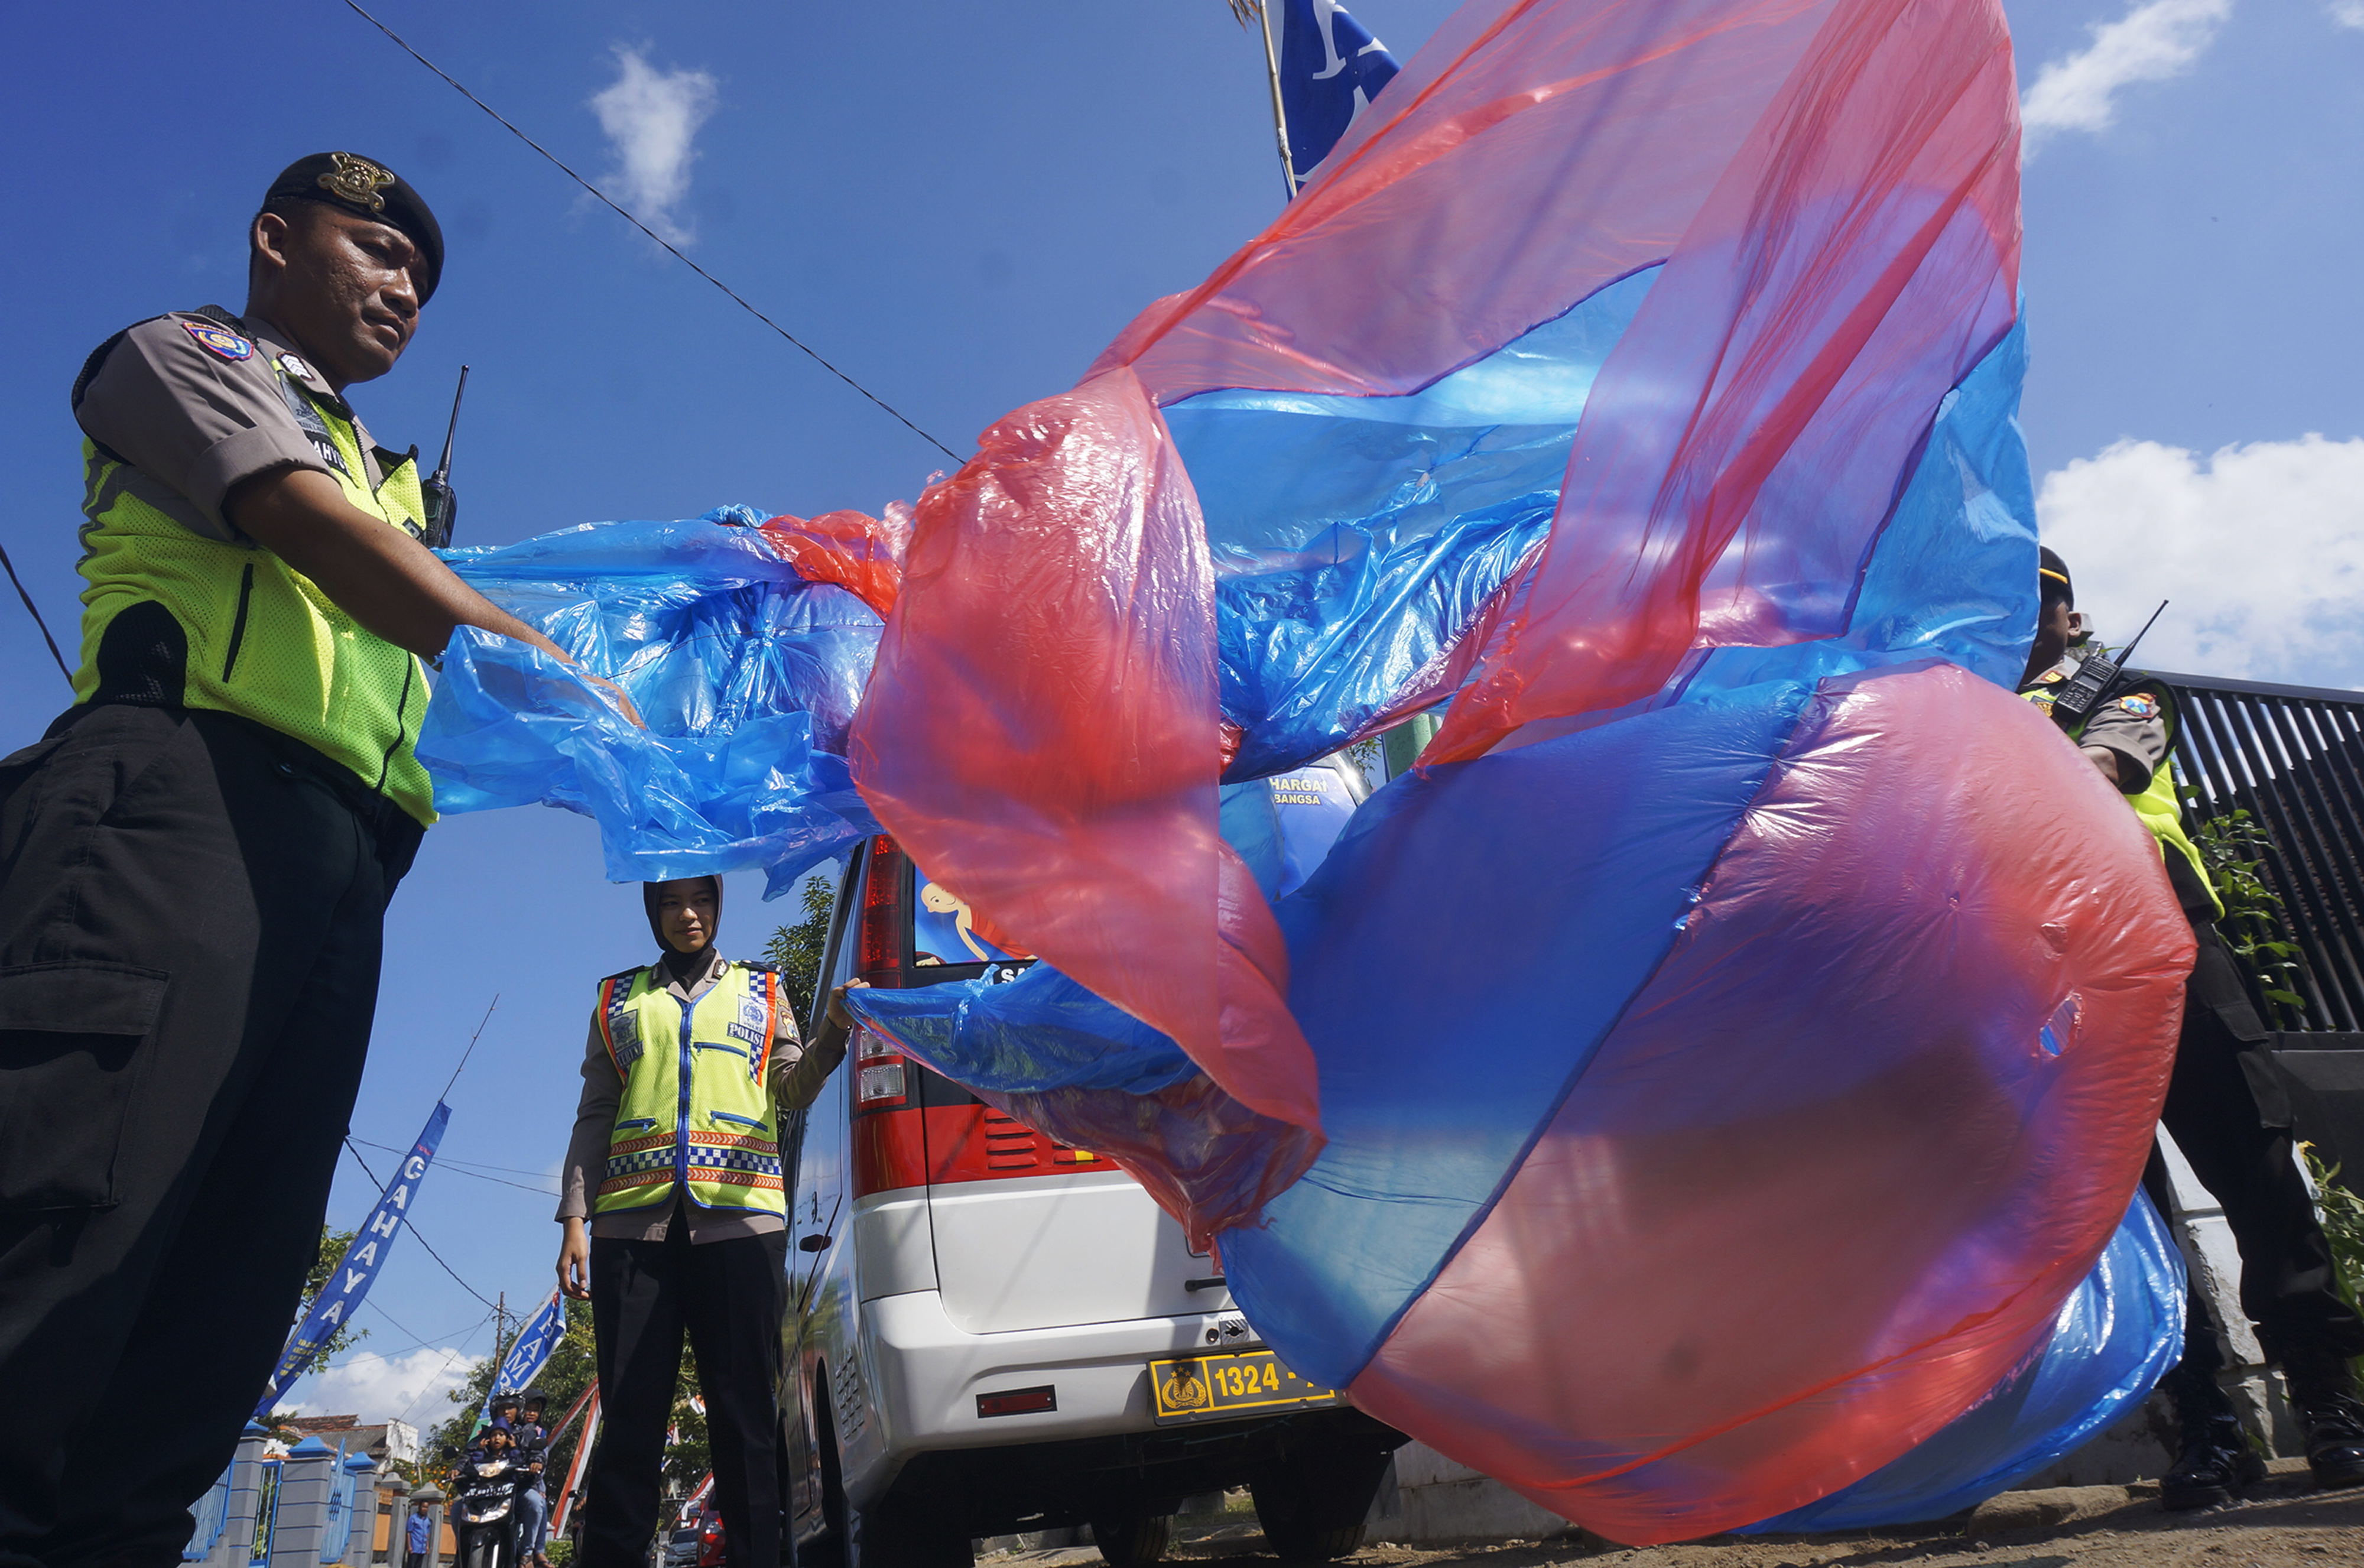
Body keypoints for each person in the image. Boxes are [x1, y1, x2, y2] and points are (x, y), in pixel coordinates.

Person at [0, 151, 637, 1568]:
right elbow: (301, 524)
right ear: (274, 240)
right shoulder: (189, 361)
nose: (404, 285)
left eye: (422, 269)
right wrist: (550, 669)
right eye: (375, 248)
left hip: (337, 878)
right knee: (72, 1261)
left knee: (221, 1307)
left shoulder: (401, 485)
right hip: (175, 823)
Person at [2019, 547, 2364, 1507]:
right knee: (2133, 1213)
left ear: (2074, 619)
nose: (2022, 615)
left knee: (2256, 1178)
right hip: (2052, 976)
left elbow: (2109, 765)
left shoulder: (2128, 691)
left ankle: (2330, 1402)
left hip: (2165, 945)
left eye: (2040, 600)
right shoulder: (1975, 719)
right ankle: (2209, 1432)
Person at [553, 876, 856, 1568]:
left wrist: (835, 1028)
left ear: (720, 905)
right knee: (630, 1420)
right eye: (670, 902)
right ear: (652, 912)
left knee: (745, 1419)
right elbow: (596, 1111)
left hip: (741, 1225)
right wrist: (575, 1215)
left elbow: (791, 1086)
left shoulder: (763, 990)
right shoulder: (617, 1000)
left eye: (701, 900)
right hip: (631, 1233)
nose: (687, 914)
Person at [452, 1426, 522, 1568]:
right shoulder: (481, 1452)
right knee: (456, 1510)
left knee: (530, 1510)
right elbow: (470, 1464)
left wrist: (514, 1448)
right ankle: (460, 1556)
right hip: (479, 1498)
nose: (497, 1438)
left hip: (504, 1498)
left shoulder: (512, 1453)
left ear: (508, 1438)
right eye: (494, 1435)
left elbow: (519, 1462)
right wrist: (478, 1451)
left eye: (501, 1435)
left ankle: (526, 1555)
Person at [511, 1392, 553, 1568]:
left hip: (529, 1483)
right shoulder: (507, 1429)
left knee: (538, 1503)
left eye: (536, 1411)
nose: (531, 1413)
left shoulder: (539, 1434)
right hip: (502, 1485)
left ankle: (530, 1553)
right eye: (528, 1409)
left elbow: (540, 1458)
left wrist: (535, 1466)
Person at [405, 1498, 432, 1568]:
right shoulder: (413, 1519)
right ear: (419, 1507)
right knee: (411, 1565)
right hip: (414, 1547)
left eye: (426, 1508)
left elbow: (427, 1534)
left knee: (419, 1566)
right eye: (423, 1507)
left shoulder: (427, 1520)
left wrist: (427, 1546)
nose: (424, 1509)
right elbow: (409, 1532)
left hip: (422, 1548)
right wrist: (409, 1546)